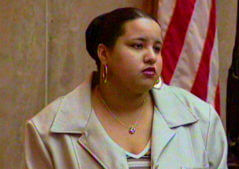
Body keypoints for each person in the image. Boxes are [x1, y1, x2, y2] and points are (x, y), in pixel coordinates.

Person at [24, 7, 228, 169]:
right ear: (104, 54)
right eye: (138, 46)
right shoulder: (47, 129)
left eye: (157, 48)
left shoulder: (202, 119)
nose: (151, 57)